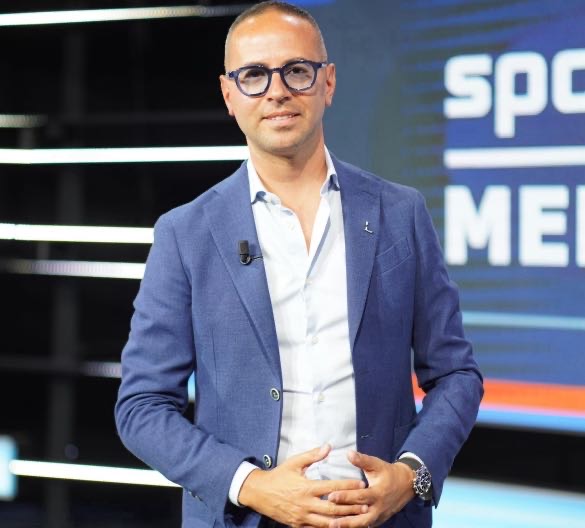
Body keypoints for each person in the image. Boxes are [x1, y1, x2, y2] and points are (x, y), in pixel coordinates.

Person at [115, 2, 483, 527]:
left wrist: (411, 474)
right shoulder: (185, 233)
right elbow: (142, 406)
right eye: (253, 75)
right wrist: (251, 485)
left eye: (296, 70)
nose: (277, 91)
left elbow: (456, 374)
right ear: (228, 95)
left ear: (327, 82)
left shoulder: (401, 213)